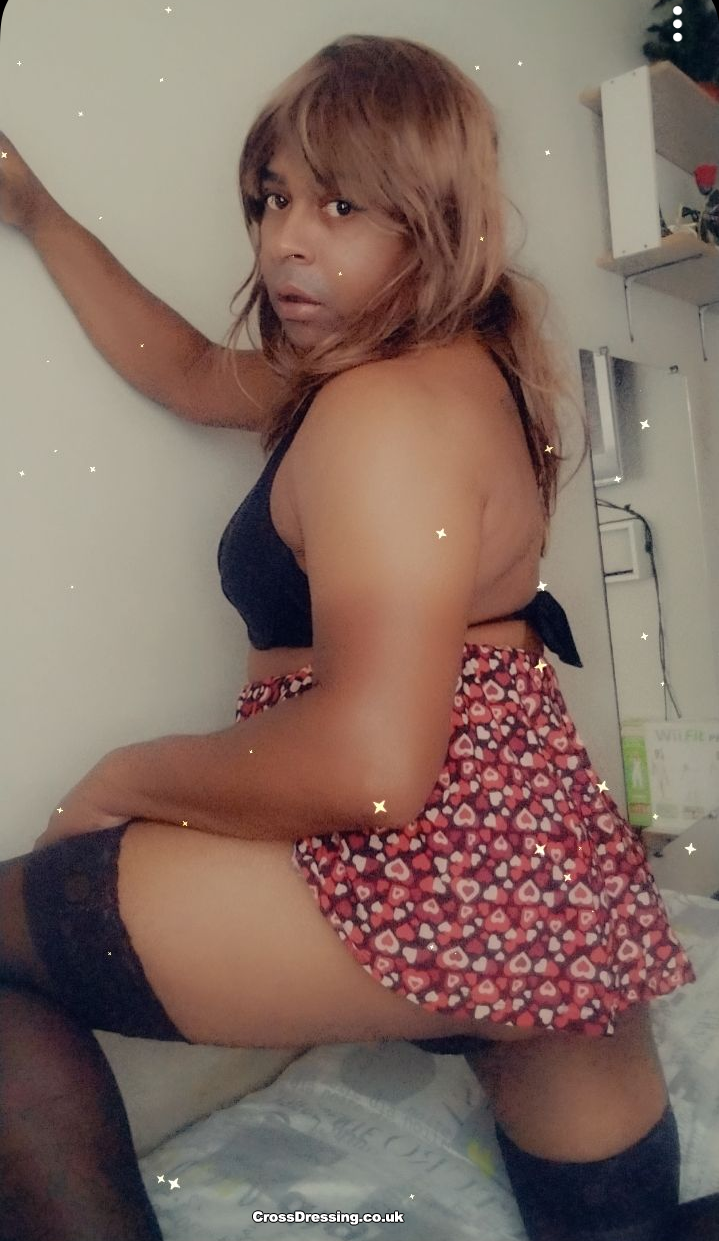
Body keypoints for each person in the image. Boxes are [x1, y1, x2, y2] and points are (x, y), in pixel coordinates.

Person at [0, 33, 707, 1241]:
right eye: (272, 197)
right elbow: (186, 367)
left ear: (433, 220)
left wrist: (123, 778)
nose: (285, 238)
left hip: (413, 848)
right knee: (615, 1222)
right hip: (528, 856)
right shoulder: (434, 369)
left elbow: (372, 769)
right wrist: (37, 211)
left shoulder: (384, 409)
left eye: (339, 204)